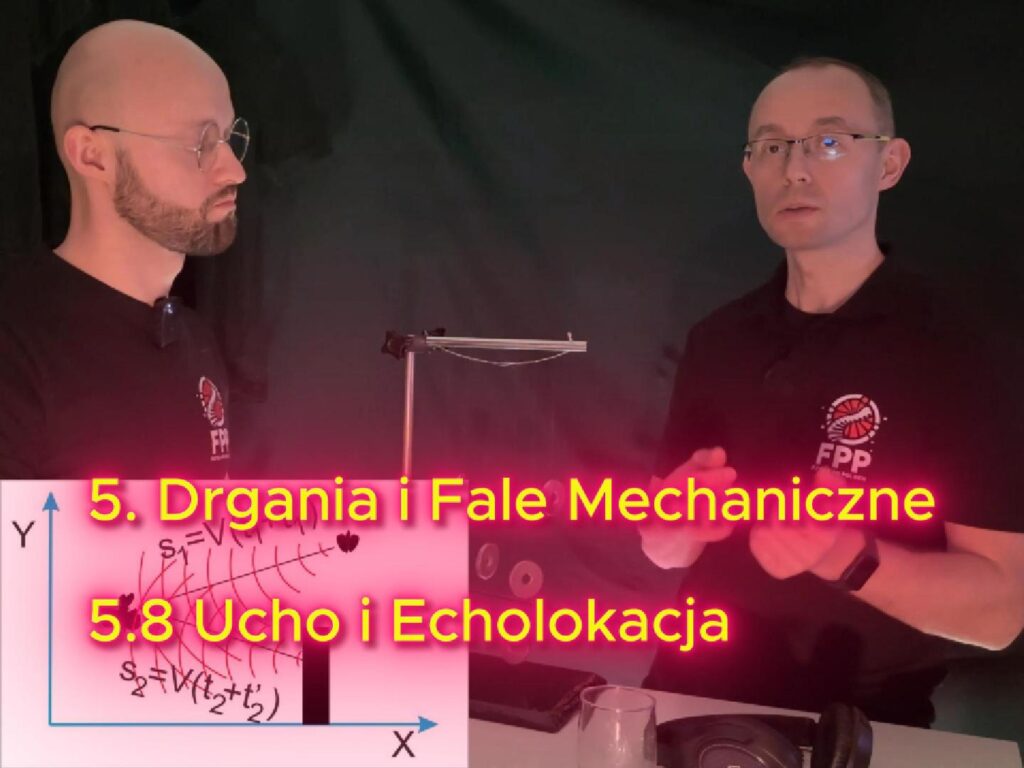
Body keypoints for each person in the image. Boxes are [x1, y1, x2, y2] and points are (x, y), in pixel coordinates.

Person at [639, 57, 1024, 727]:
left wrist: (846, 557)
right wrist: (675, 526)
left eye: (828, 141)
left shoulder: (957, 349)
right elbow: (661, 544)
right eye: (772, 146)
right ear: (750, 168)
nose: (795, 168)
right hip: (686, 696)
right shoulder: (717, 337)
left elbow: (1000, 614)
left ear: (889, 163)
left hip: (857, 722)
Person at [0, 20, 248, 478]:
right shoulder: (15, 351)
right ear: (92, 155)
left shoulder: (194, 341)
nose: (234, 170)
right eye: (200, 142)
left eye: (230, 138)